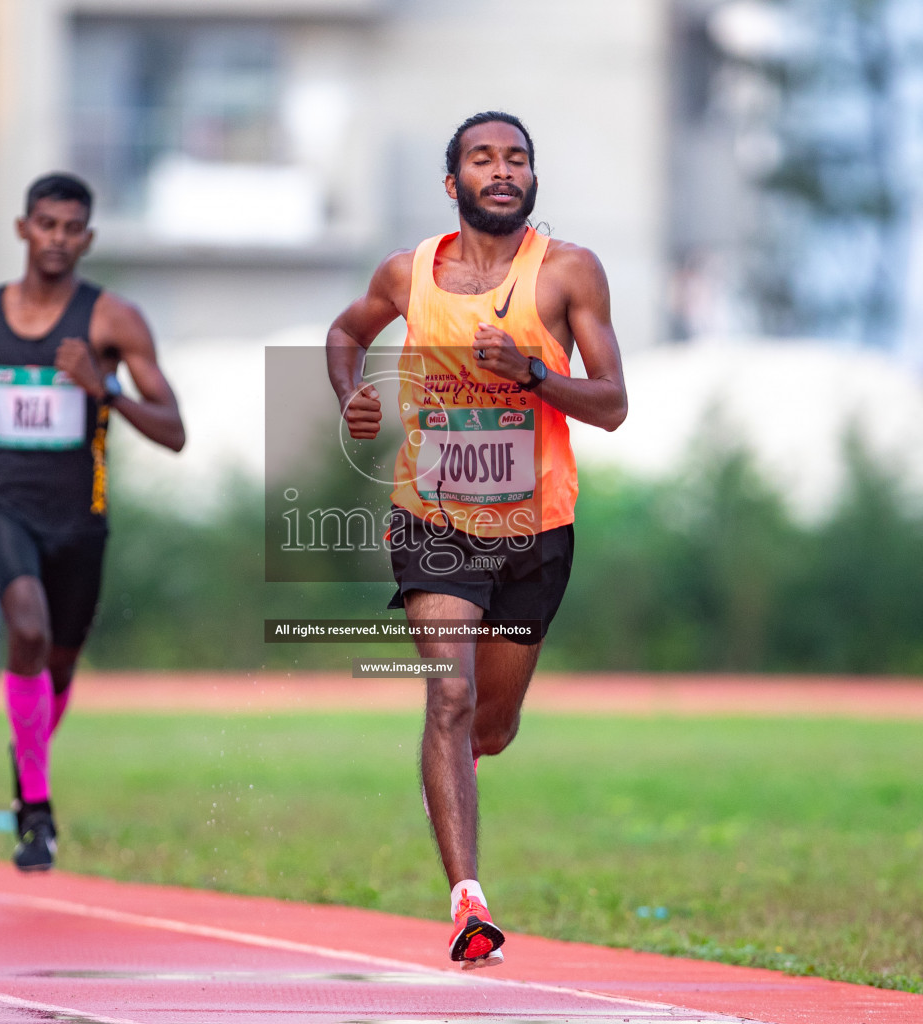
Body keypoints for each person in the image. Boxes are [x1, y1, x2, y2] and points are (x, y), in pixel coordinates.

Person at [325, 112, 628, 967]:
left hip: (537, 525)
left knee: (489, 726)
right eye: (484, 159)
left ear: (532, 178)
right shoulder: (407, 272)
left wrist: (535, 372)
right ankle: (468, 904)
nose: (504, 171)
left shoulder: (568, 272)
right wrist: (350, 393)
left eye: (518, 159)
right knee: (448, 700)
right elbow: (345, 332)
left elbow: (612, 403)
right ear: (452, 181)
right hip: (433, 516)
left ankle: (452, 777)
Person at [0, 172, 185, 871]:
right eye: (46, 224)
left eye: (72, 228)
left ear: (88, 238)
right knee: (29, 631)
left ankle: (27, 761)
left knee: (61, 662)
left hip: (80, 516)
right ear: (23, 229)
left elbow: (175, 431)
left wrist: (108, 393)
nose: (58, 239)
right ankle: (36, 812)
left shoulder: (112, 321)